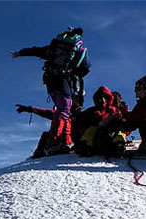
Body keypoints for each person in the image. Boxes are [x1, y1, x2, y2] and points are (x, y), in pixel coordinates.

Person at [13, 27, 92, 155]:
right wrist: (74, 76)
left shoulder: (56, 46)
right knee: (63, 111)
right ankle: (54, 144)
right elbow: (86, 67)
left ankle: (63, 142)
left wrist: (20, 53)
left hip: (50, 82)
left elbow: (37, 51)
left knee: (61, 111)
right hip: (64, 82)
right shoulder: (80, 49)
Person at [17, 85, 124, 158]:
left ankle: (115, 146)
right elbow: (49, 113)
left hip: (87, 139)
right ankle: (42, 152)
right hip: (76, 140)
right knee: (46, 134)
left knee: (94, 129)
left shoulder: (107, 111)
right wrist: (30, 109)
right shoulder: (70, 114)